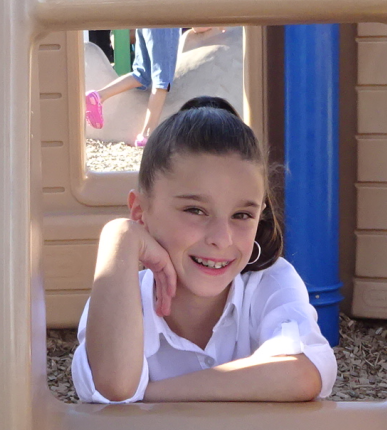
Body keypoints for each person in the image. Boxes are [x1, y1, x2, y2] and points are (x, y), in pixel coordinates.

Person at [71, 97, 336, 403]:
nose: (221, 239)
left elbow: (302, 373)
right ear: (141, 210)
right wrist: (119, 236)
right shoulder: (121, 297)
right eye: (195, 210)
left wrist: (148, 395)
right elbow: (113, 386)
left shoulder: (269, 283)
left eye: (242, 215)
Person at [84, 27, 181, 147]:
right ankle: (147, 134)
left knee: (141, 74)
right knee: (162, 80)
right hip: (163, 23)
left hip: (145, 23)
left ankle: (99, 95)